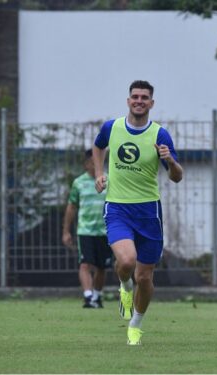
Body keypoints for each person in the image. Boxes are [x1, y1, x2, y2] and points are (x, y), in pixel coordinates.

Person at [92, 80, 183, 346]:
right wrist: (99, 173)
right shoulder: (112, 127)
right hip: (118, 207)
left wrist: (170, 160)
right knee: (127, 262)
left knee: (145, 277)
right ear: (128, 100)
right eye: (135, 96)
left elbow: (177, 177)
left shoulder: (160, 135)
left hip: (148, 211)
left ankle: (136, 325)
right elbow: (98, 147)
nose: (139, 101)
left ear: (151, 103)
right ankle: (123, 286)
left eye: (144, 97)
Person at [62, 149, 113, 308]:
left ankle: (97, 296)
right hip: (85, 231)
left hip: (105, 231)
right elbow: (71, 207)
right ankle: (88, 296)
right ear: (86, 164)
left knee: (102, 267)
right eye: (93, 162)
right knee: (84, 264)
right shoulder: (79, 183)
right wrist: (66, 231)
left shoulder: (110, 181)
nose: (96, 165)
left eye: (99, 161)